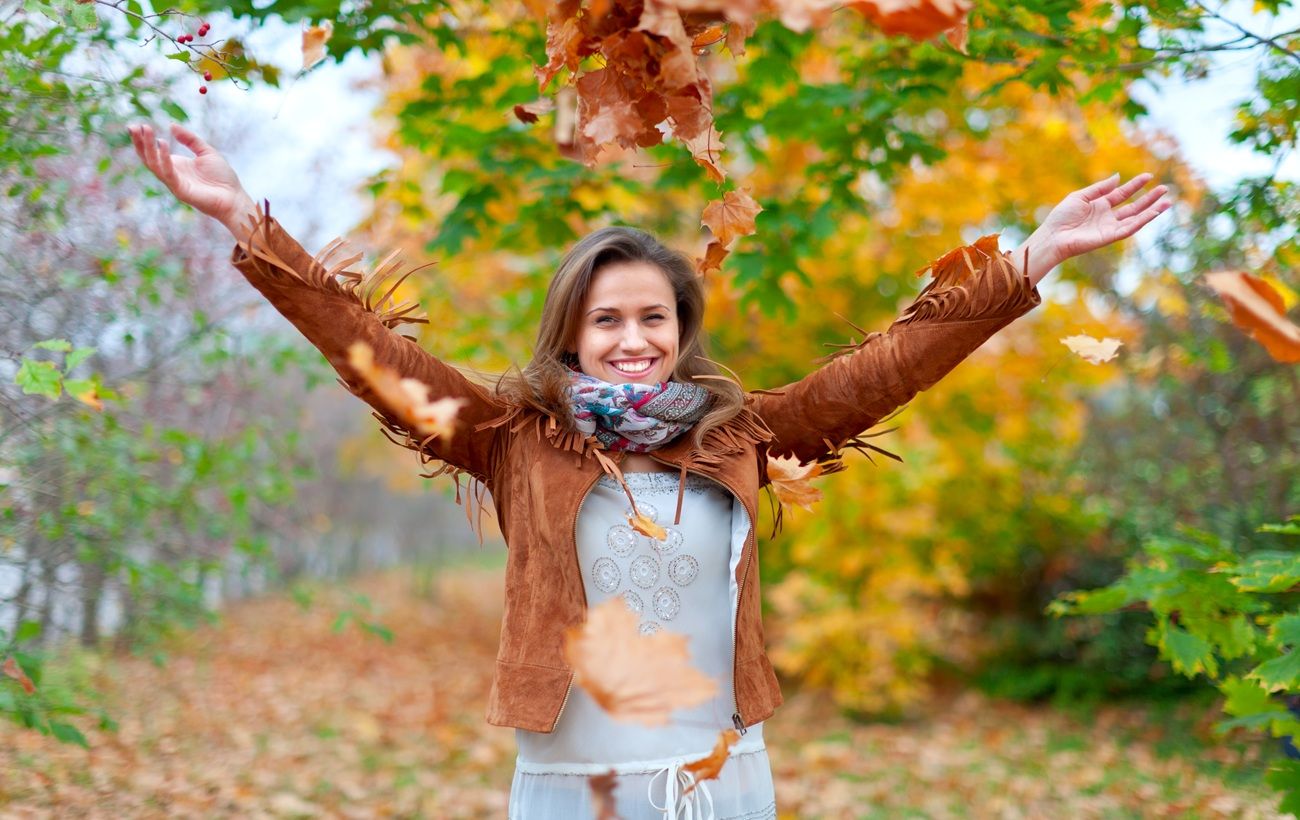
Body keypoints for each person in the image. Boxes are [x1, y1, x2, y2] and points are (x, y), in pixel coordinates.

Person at [128, 121, 1169, 819]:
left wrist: (1031, 257)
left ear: (680, 329)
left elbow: (885, 370)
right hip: (573, 783)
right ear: (572, 335)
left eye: (653, 318)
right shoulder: (509, 436)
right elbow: (375, 355)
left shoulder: (740, 433)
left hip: (719, 778)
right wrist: (243, 221)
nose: (633, 338)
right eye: (607, 320)